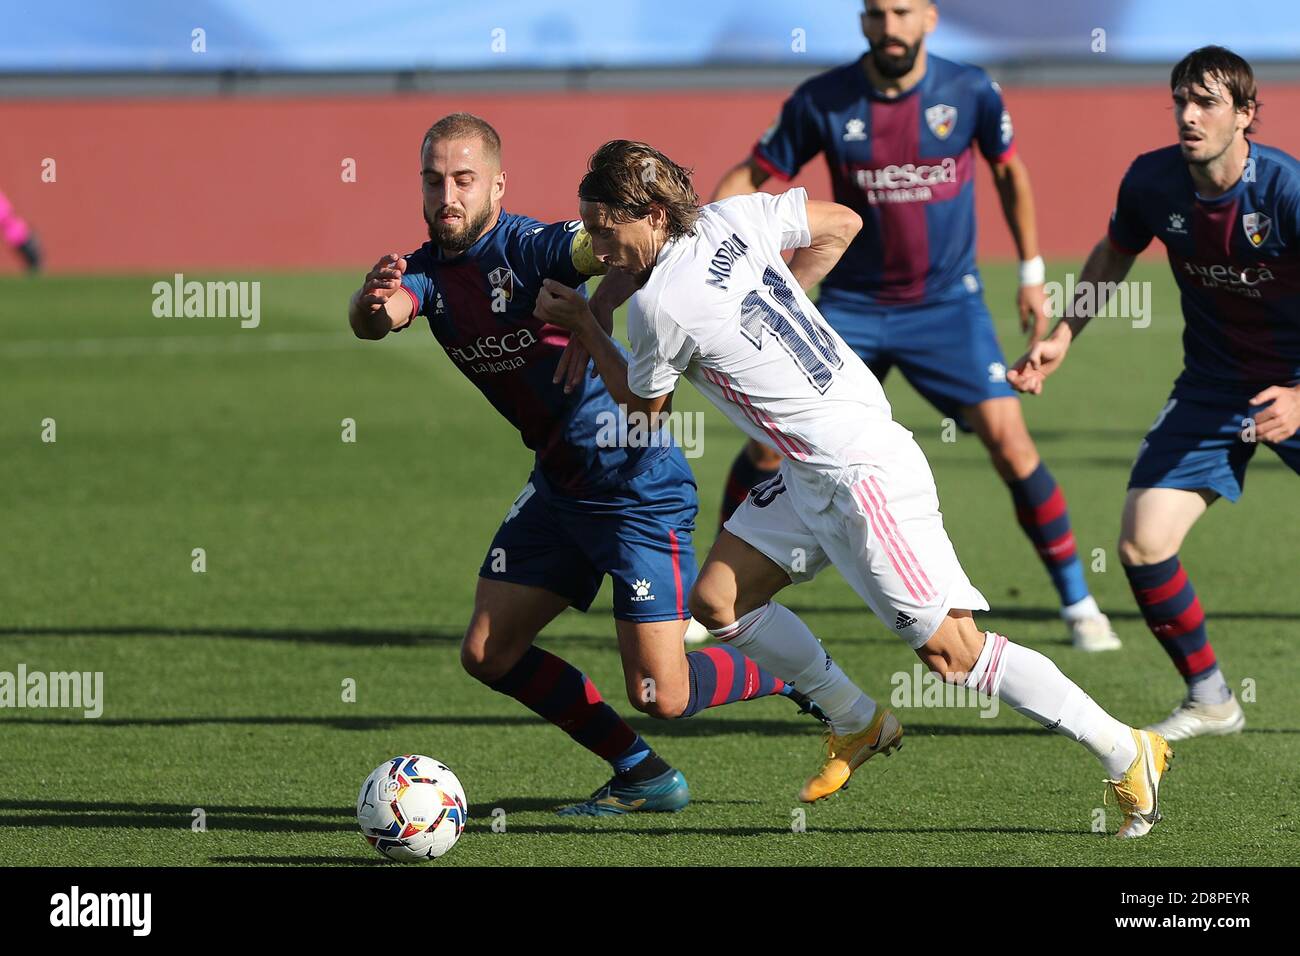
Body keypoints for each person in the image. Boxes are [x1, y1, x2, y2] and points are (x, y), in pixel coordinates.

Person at [535, 139, 1173, 837]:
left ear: (653, 215)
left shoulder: (661, 309)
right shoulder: (733, 217)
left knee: (952, 653)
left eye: (603, 227)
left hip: (857, 474)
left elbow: (641, 410)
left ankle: (1124, 746)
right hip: (822, 458)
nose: (594, 243)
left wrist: (585, 324)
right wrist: (775, 305)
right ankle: (856, 721)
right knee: (721, 598)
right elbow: (842, 224)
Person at [347, 113, 824, 817]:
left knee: (662, 694)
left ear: (496, 187)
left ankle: (785, 673)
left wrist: (596, 306)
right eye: (434, 179)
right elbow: (384, 314)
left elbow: (614, 248)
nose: (447, 194)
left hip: (635, 487)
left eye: (464, 180)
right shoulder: (424, 273)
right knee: (488, 650)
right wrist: (369, 304)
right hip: (559, 487)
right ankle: (641, 775)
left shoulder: (534, 246)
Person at [707, 0, 1118, 650]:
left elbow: (1009, 171)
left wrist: (1034, 271)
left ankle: (1077, 599)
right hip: (849, 310)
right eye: (875, 13)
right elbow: (752, 176)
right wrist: (706, 241)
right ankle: (718, 590)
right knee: (765, 446)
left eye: (902, 12)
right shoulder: (823, 99)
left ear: (929, 16)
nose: (889, 27)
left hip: (947, 306)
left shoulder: (971, 89)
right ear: (862, 21)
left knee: (1011, 442)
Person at [1009, 46, 1299, 741]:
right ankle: (1212, 700)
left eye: (1207, 102)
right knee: (1143, 543)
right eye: (1180, 100)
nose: (1189, 115)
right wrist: (1066, 332)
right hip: (1214, 387)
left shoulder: (1285, 191)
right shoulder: (1153, 180)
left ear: (1247, 115)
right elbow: (1116, 250)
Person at [1, 187, 41, 272]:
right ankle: (34, 276)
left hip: (20, 234)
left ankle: (34, 276)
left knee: (33, 260)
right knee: (33, 261)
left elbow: (4, 214)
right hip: (19, 235)